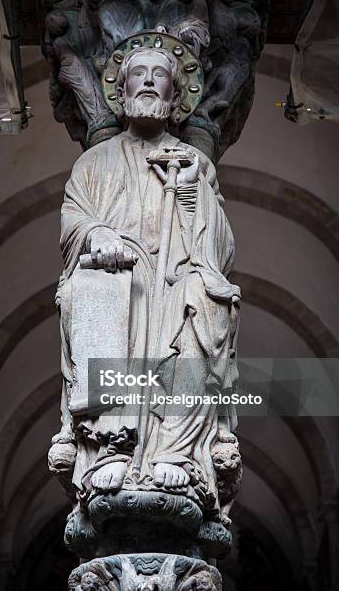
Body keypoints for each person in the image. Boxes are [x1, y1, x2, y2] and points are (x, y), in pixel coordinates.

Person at [51, 44, 240, 517]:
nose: (150, 81)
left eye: (161, 75)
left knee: (205, 299)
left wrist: (192, 189)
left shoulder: (195, 163)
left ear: (177, 95)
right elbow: (73, 221)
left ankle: (175, 448)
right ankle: (112, 445)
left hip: (178, 281)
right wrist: (97, 234)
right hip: (123, 281)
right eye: (140, 74)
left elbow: (220, 250)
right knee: (94, 291)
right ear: (123, 89)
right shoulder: (94, 164)